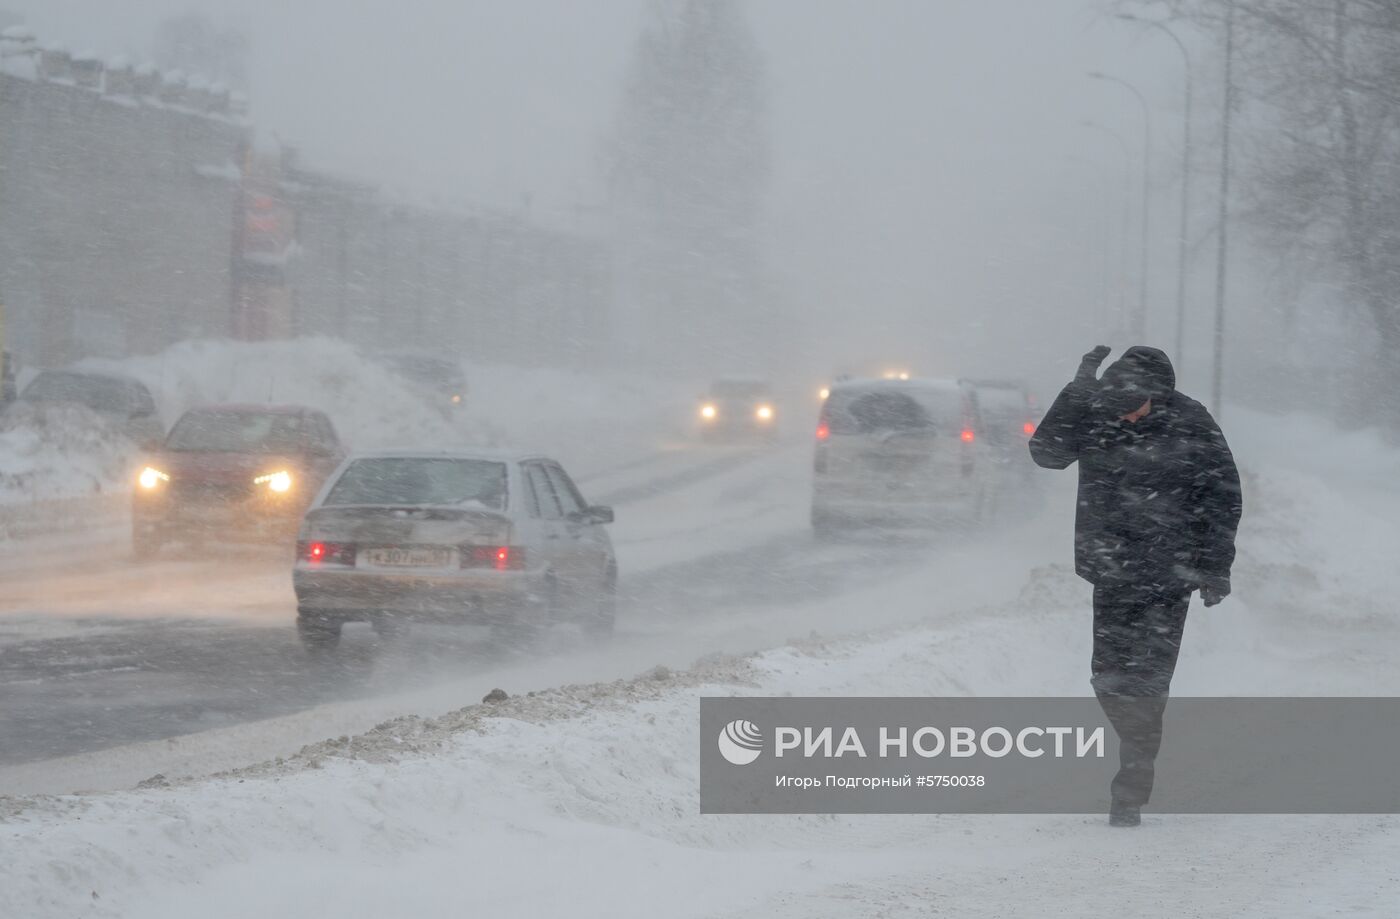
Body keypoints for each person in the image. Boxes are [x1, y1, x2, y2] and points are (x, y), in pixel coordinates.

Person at [1029, 345, 1242, 827]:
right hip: (1112, 570)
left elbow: (1223, 495)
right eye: (1116, 407)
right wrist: (1078, 391)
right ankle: (1137, 746)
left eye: (1134, 407)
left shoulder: (1191, 421)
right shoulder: (1098, 411)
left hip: (1171, 576)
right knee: (1107, 678)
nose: (1125, 417)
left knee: (1147, 682)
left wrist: (1215, 566)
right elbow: (1046, 454)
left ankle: (1132, 780)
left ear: (1158, 394)